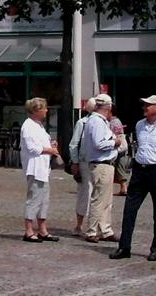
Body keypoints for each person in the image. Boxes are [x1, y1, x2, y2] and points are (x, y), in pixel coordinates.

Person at [110, 95, 156, 262]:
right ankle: (124, 247)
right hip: (140, 170)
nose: (145, 107)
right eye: (144, 105)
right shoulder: (140, 125)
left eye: (148, 105)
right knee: (129, 209)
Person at [18, 96, 61, 243]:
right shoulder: (28, 126)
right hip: (34, 168)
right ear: (36, 110)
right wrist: (49, 150)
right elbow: (32, 148)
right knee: (34, 199)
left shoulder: (39, 125)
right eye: (44, 108)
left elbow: (41, 143)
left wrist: (51, 144)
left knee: (43, 200)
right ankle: (29, 230)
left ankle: (43, 229)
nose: (46, 111)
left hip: (43, 168)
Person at [77, 94, 120, 242]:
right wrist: (115, 142)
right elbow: (98, 143)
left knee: (106, 199)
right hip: (101, 163)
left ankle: (105, 229)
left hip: (105, 164)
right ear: (108, 107)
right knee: (99, 199)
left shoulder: (97, 120)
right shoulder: (96, 121)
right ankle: (92, 231)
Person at [67, 99, 95, 234]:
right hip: (85, 162)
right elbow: (73, 144)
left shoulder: (105, 122)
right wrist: (75, 162)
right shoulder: (82, 123)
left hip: (100, 163)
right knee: (85, 193)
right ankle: (79, 224)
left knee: (99, 194)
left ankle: (95, 225)